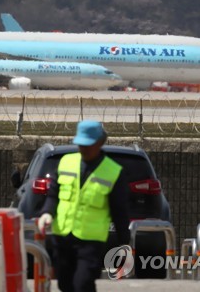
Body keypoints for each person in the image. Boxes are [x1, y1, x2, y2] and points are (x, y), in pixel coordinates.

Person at [38, 120, 130, 292]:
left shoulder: (113, 172)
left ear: (100, 142)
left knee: (83, 284)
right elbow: (53, 194)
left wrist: (124, 240)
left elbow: (119, 210)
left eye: (88, 145)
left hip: (91, 241)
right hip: (62, 235)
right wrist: (47, 213)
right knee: (65, 284)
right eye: (81, 144)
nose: (84, 149)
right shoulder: (66, 162)